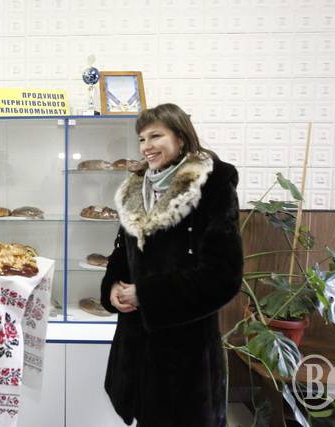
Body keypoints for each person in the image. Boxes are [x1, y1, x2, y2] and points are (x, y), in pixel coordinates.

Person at [100, 103, 243, 427]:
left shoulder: (211, 185)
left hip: (186, 352)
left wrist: (146, 294)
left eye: (155, 136)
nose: (146, 146)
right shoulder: (135, 189)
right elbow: (122, 253)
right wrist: (113, 287)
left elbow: (223, 276)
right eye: (141, 139)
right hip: (136, 346)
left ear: (180, 137)